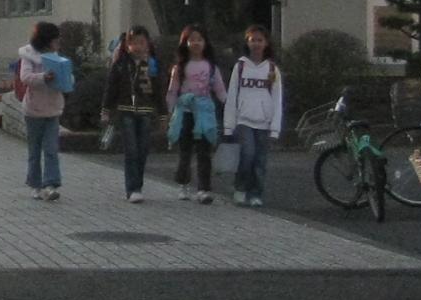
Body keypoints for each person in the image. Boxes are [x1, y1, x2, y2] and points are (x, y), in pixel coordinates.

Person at [99, 27, 161, 203]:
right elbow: (111, 89)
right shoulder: (120, 65)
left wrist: (163, 113)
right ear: (127, 45)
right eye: (133, 42)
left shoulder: (152, 65)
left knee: (142, 150)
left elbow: (158, 90)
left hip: (145, 112)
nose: (138, 46)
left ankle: (138, 185)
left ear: (148, 44)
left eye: (141, 42)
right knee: (131, 150)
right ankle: (132, 188)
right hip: (126, 110)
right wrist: (106, 110)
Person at [225, 24, 284, 207]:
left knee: (260, 161)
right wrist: (229, 125)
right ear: (247, 43)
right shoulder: (240, 67)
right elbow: (232, 96)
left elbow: (277, 99)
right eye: (253, 40)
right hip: (243, 120)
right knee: (247, 155)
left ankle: (256, 193)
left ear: (266, 43)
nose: (256, 44)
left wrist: (275, 128)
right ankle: (240, 187)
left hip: (264, 122)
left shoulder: (272, 69)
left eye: (260, 40)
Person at [166, 24, 225, 203]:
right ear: (185, 43)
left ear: (206, 42)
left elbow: (220, 90)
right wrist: (169, 112)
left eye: (200, 39)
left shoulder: (212, 67)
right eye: (192, 39)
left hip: (205, 114)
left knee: (204, 152)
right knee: (185, 151)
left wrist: (230, 107)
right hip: (185, 112)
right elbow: (172, 91)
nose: (196, 43)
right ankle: (183, 184)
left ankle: (204, 189)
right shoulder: (180, 68)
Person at [16, 20, 68, 202]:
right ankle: (35, 184)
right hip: (33, 110)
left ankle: (51, 184)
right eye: (56, 40)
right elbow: (25, 77)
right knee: (35, 149)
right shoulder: (29, 55)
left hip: (53, 109)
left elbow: (67, 77)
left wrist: (67, 79)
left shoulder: (57, 57)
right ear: (46, 40)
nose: (58, 43)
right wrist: (43, 77)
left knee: (52, 149)